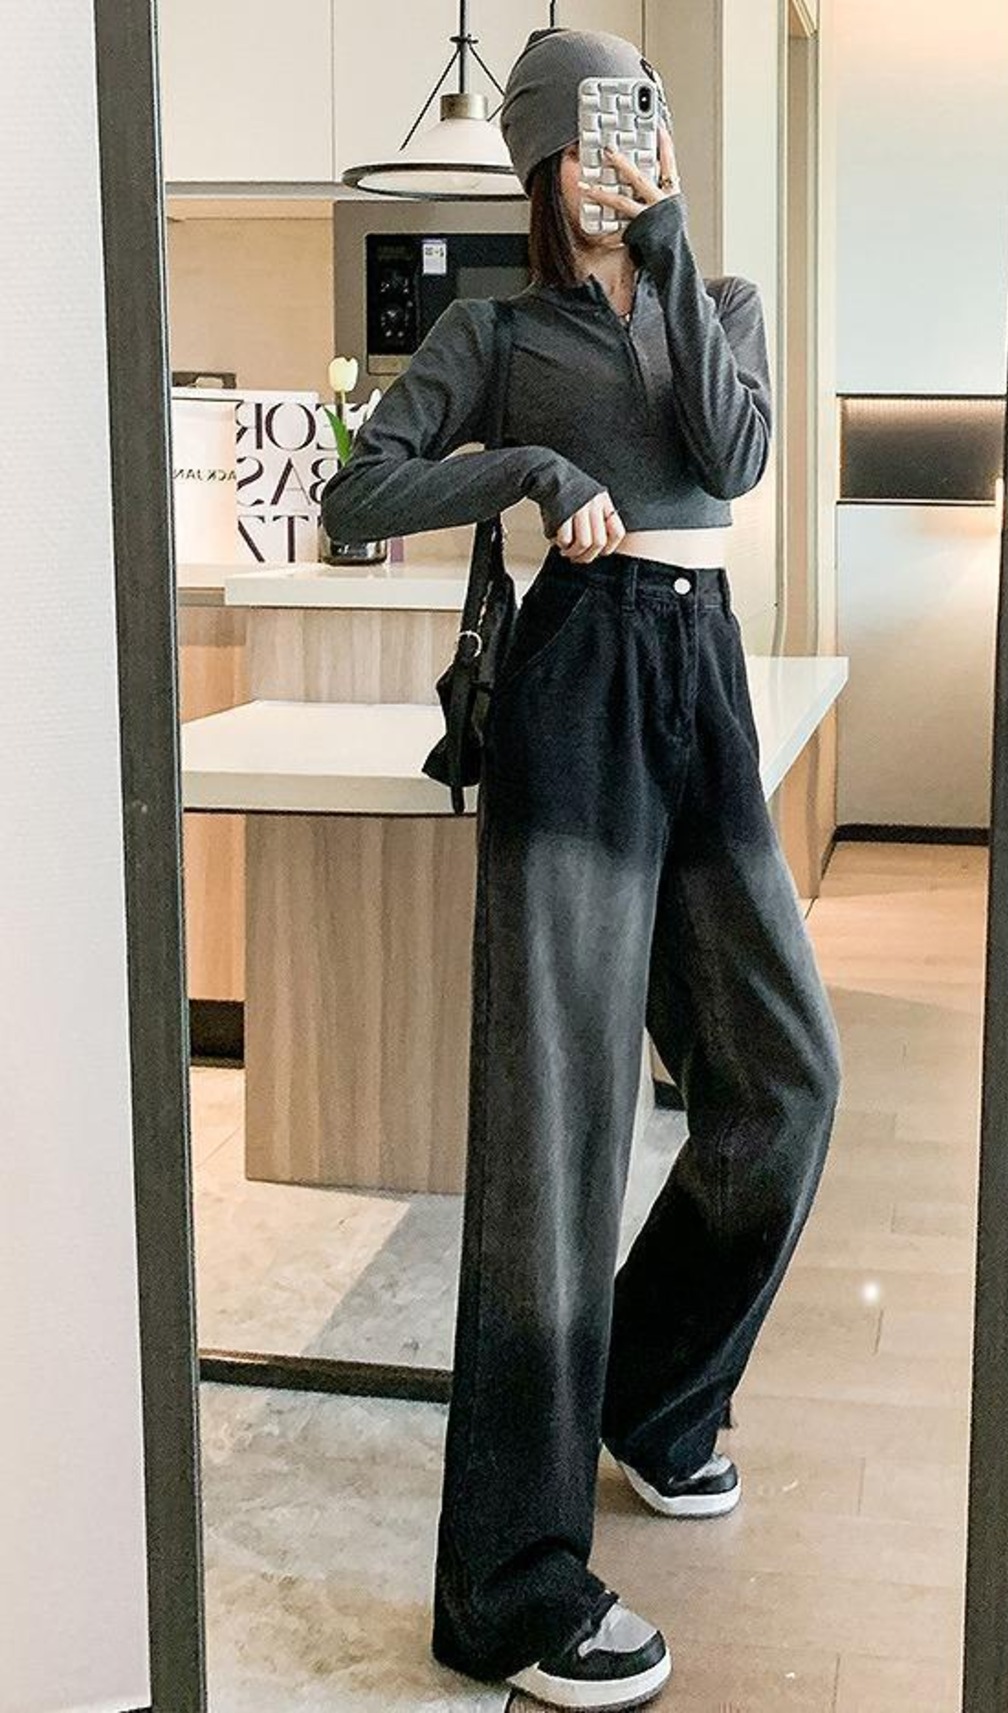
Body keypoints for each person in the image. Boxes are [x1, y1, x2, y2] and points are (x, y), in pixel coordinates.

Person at [321, 26, 842, 1712]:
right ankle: (509, 1584)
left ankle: (658, 1396)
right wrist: (536, 469)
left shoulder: (719, 301)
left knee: (784, 1075)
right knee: (556, 1142)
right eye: (598, 133)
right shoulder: (493, 330)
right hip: (579, 685)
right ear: (544, 157)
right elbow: (354, 493)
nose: (624, 156)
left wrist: (672, 248)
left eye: (646, 126)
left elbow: (731, 454)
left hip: (703, 679)